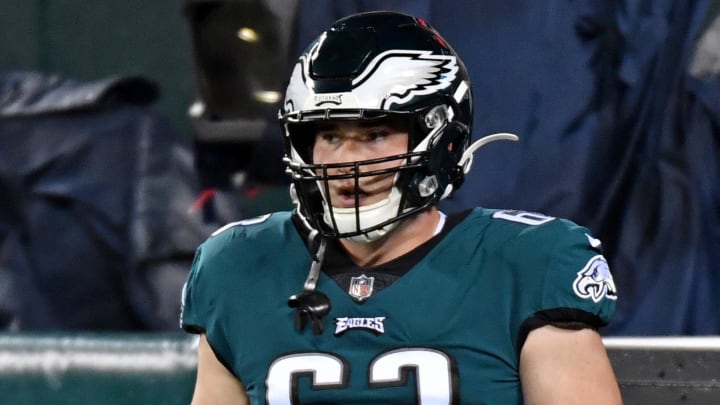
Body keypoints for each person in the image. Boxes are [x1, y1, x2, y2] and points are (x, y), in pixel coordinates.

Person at [180, 11, 622, 404]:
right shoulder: (237, 266)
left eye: (374, 135)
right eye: (329, 136)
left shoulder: (528, 263)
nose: (343, 162)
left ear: (442, 142)